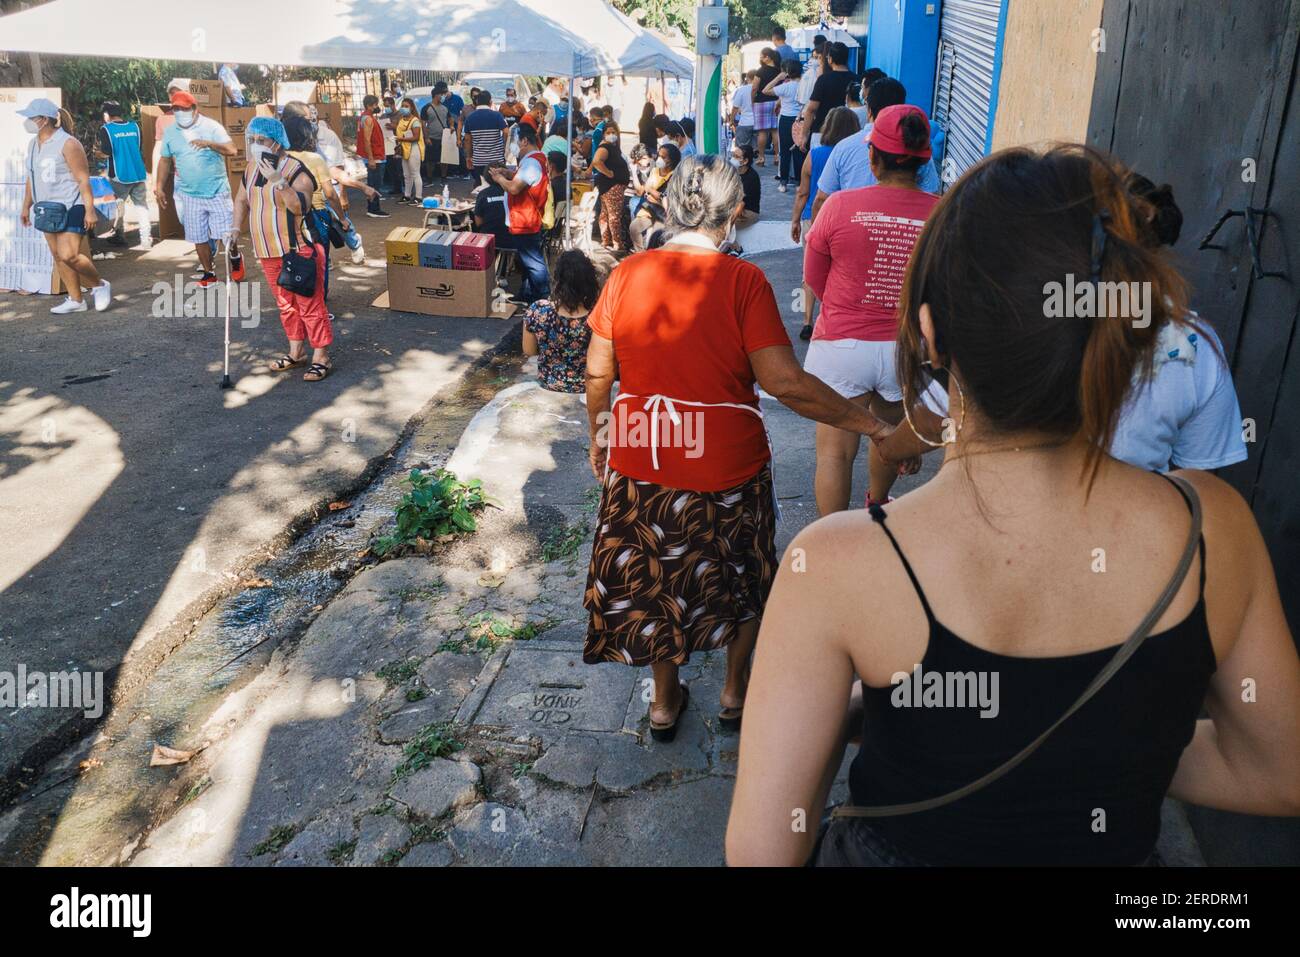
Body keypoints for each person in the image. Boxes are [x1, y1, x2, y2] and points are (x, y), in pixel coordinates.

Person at [727, 142, 1300, 867]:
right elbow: (1279, 771)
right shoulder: (1211, 529)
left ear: (931, 333)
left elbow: (760, 853)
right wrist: (1110, 748)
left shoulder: (836, 564)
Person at [583, 155, 894, 742]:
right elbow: (786, 383)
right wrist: (872, 426)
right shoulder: (743, 281)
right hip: (728, 465)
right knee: (742, 576)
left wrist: (601, 436)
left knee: (657, 579)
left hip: (640, 454)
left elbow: (599, 372)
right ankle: (734, 690)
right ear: (733, 218)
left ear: (672, 206)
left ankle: (665, 702)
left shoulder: (626, 274)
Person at [875, 172, 1251, 481]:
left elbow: (939, 412)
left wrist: (890, 447)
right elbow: (1199, 479)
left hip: (998, 538)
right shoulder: (1194, 344)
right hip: (1128, 553)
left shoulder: (1019, 311)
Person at [803, 105, 939, 515]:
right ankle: (877, 506)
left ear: (873, 158)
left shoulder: (839, 206)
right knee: (891, 435)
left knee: (833, 454)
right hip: (903, 351)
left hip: (841, 345)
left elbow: (815, 277)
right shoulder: (939, 214)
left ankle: (834, 540)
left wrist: (847, 308)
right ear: (923, 161)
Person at [232, 116, 332, 382]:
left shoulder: (296, 170)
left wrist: (278, 180)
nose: (256, 145)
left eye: (261, 140)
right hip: (266, 250)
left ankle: (321, 356)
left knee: (309, 304)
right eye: (252, 140)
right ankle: (296, 351)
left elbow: (301, 206)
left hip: (296, 248)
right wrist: (233, 229)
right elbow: (241, 199)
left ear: (277, 142)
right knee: (286, 305)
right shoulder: (251, 168)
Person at [18, 98, 111, 314]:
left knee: (69, 254)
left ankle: (99, 285)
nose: (28, 121)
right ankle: (75, 299)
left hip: (70, 205)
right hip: (46, 207)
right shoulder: (33, 145)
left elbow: (83, 179)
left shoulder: (68, 143)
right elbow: (31, 178)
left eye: (32, 117)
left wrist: (89, 210)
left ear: (45, 119)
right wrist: (26, 207)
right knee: (58, 255)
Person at [812, 77, 941, 220]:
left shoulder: (844, 147)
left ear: (869, 109)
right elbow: (932, 198)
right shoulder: (916, 148)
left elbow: (821, 199)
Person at [155, 90, 244, 287]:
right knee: (198, 236)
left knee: (227, 234)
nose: (179, 112)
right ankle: (209, 273)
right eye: (175, 109)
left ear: (195, 109)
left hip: (216, 190)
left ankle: (236, 257)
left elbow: (232, 150)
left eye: (183, 109)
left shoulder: (211, 127)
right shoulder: (170, 132)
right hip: (189, 193)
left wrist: (209, 144)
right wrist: (159, 186)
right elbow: (165, 160)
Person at [791, 107, 859, 341]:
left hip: (814, 217)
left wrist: (795, 220)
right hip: (844, 221)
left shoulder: (815, 154)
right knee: (841, 271)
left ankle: (807, 321)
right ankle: (833, 319)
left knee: (810, 270)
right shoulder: (856, 155)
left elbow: (802, 192)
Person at [283, 111, 348, 303]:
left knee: (291, 259)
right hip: (315, 217)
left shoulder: (281, 158)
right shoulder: (314, 159)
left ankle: (297, 302)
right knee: (319, 263)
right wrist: (342, 218)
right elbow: (330, 194)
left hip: (286, 217)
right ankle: (319, 304)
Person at [523, 249, 604, 393]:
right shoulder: (600, 314)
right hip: (588, 386)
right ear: (590, 281)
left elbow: (529, 351)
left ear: (557, 280)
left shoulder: (538, 310)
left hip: (549, 383)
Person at [489, 123, 550, 303]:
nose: (512, 147)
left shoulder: (532, 162)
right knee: (527, 260)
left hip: (525, 219)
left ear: (524, 141)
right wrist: (507, 172)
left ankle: (542, 296)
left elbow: (515, 188)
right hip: (524, 218)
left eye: (514, 141)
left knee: (533, 262)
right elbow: (520, 178)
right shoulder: (535, 159)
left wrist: (500, 178)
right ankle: (529, 293)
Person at [94, 101, 151, 249]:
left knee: (118, 206)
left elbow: (106, 152)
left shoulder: (106, 129)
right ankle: (146, 239)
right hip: (138, 172)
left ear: (107, 114)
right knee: (142, 207)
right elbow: (137, 147)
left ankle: (119, 235)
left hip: (119, 174)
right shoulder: (135, 127)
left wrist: (97, 153)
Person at [799, 41, 855, 151]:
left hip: (822, 132)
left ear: (830, 59)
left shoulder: (823, 80)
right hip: (848, 133)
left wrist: (804, 135)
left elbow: (811, 109)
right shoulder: (856, 79)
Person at [589, 118, 631, 253]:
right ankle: (617, 244)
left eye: (614, 132)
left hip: (609, 186)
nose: (612, 134)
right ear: (604, 134)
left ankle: (607, 240)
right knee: (614, 216)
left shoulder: (611, 147)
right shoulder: (605, 147)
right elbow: (596, 161)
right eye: (609, 132)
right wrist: (609, 173)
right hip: (612, 186)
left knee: (606, 215)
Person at [629, 142, 679, 251]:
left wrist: (657, 198)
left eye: (663, 157)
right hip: (649, 211)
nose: (659, 159)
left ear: (671, 160)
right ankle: (640, 255)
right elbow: (646, 188)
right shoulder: (655, 170)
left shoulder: (674, 177)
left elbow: (670, 202)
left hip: (663, 214)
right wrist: (659, 195)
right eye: (659, 155)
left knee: (655, 239)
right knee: (634, 228)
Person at [763, 59, 804, 191]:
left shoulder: (785, 86)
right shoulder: (804, 85)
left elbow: (765, 90)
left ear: (787, 72)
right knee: (799, 151)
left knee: (785, 152)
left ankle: (783, 183)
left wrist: (778, 78)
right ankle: (799, 182)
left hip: (785, 120)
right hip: (800, 120)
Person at [464, 90, 507, 185]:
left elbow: (467, 139)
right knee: (498, 185)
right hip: (496, 159)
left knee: (480, 185)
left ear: (477, 102)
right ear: (490, 102)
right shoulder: (497, 116)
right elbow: (506, 131)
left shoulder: (470, 118)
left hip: (479, 160)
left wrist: (468, 157)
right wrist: (503, 147)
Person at [356, 95, 390, 217]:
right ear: (370, 105)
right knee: (375, 183)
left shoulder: (364, 117)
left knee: (374, 182)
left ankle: (373, 207)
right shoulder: (368, 119)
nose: (377, 107)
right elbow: (366, 139)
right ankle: (373, 209)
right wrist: (371, 158)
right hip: (375, 156)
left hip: (374, 155)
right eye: (376, 104)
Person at [751, 48, 781, 166]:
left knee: (762, 132)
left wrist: (752, 100)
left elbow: (754, 88)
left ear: (768, 57)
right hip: (776, 102)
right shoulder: (779, 71)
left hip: (761, 102)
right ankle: (777, 156)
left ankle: (761, 157)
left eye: (762, 56)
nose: (760, 58)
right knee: (775, 131)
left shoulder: (760, 71)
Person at [394, 97, 424, 205]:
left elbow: (416, 137)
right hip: (404, 149)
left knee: (415, 173)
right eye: (402, 106)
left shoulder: (415, 121)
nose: (403, 108)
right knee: (406, 174)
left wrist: (400, 139)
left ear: (411, 108)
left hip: (414, 148)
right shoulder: (402, 120)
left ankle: (418, 197)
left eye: (406, 106)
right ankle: (407, 195)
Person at [437, 82, 468, 180]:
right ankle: (451, 171)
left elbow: (462, 114)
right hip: (444, 130)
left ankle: (464, 172)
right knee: (448, 151)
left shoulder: (457, 99)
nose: (442, 96)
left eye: (443, 93)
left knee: (459, 150)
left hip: (456, 128)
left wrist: (458, 123)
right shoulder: (440, 101)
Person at [420, 87, 451, 184]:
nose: (442, 97)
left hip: (444, 138)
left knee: (444, 159)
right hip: (432, 138)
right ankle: (429, 179)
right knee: (430, 161)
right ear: (435, 95)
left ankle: (444, 177)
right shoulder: (426, 108)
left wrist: (452, 126)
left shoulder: (445, 108)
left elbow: (450, 119)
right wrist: (426, 137)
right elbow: (423, 124)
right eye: (441, 95)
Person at [732, 142, 761, 230]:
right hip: (735, 208)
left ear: (745, 161)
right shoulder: (734, 172)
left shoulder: (751, 177)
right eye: (733, 155)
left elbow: (741, 204)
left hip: (748, 212)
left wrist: (728, 225)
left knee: (723, 228)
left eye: (736, 157)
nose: (733, 158)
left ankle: (733, 243)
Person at [379, 96, 403, 197]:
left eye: (388, 106)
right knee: (391, 167)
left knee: (399, 167)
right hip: (387, 144)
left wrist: (395, 126)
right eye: (385, 106)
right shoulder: (384, 116)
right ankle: (396, 187)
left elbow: (405, 128)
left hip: (398, 143)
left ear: (393, 105)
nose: (386, 108)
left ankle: (403, 186)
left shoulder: (400, 115)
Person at [730, 72, 755, 151]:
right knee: (756, 150)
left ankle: (744, 163)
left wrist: (731, 120)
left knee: (741, 149)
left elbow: (735, 107)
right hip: (758, 123)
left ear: (747, 78)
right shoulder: (761, 89)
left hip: (745, 123)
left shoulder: (742, 89)